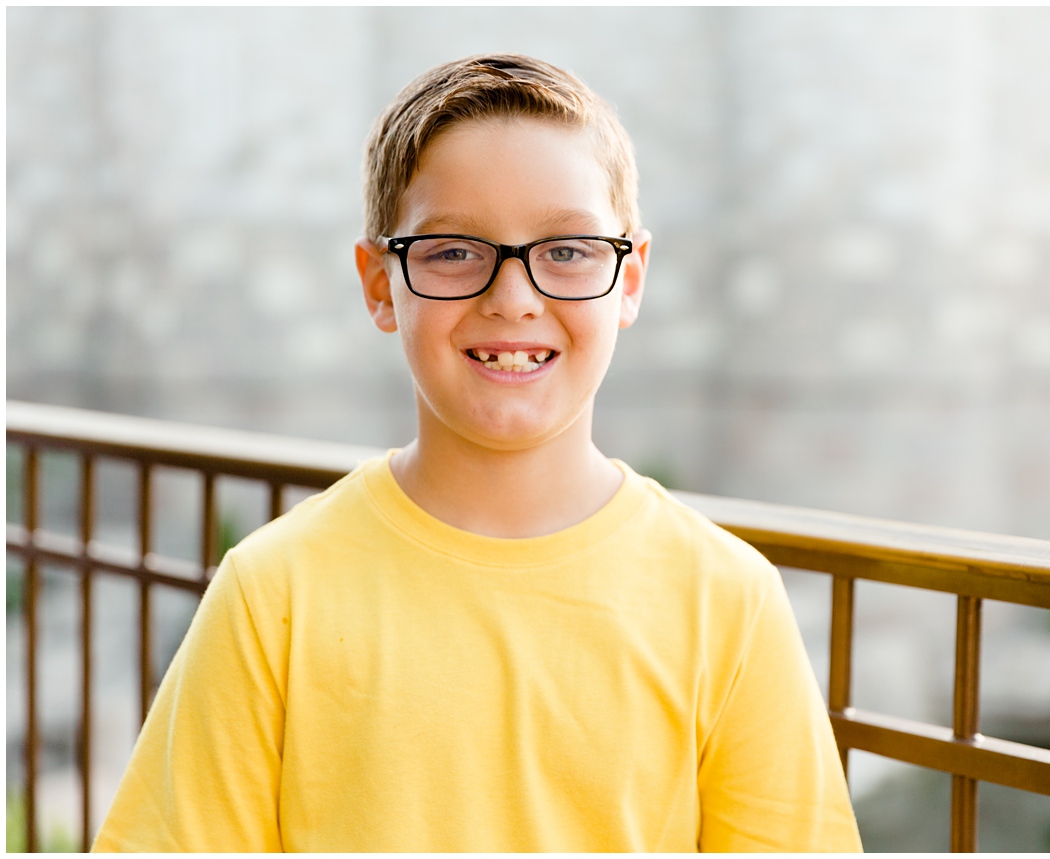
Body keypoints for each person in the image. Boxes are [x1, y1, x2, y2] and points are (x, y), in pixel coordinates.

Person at [94, 54, 862, 851]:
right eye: (454, 251)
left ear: (629, 278)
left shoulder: (728, 600)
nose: (514, 298)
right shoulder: (273, 594)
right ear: (379, 285)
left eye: (567, 250)